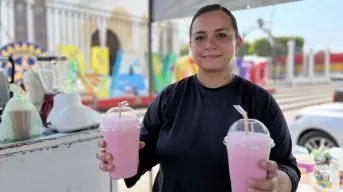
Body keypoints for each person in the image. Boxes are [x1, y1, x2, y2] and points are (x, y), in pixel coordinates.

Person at [96, 4, 301, 192]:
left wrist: (277, 183)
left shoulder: (260, 102)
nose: (209, 44)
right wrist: (117, 156)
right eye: (200, 37)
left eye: (221, 35)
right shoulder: (169, 97)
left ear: (237, 42)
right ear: (191, 45)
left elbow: (289, 168)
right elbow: (143, 152)